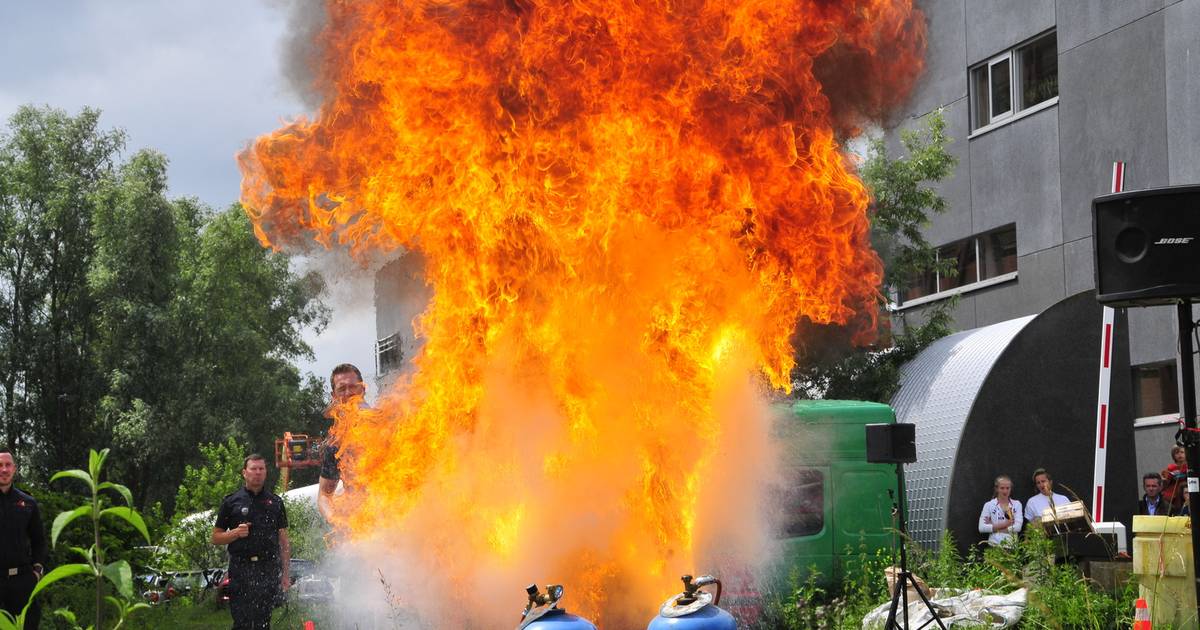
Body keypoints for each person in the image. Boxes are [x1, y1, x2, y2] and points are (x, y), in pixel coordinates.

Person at [212, 455, 289, 630]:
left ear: (266, 473)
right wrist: (235, 533)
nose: (258, 473)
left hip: (267, 569)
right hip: (241, 569)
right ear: (244, 473)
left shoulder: (275, 502)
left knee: (263, 622)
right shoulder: (231, 502)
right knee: (242, 622)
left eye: (261, 469)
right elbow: (215, 537)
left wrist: (285, 575)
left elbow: (283, 541)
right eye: (253, 469)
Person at [0, 450, 45, 628]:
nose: (4, 469)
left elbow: (39, 540)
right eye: (0, 465)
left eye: (8, 465)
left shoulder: (28, 503)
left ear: (15, 469)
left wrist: (38, 570)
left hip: (22, 581)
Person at [318, 363, 367, 522]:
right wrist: (336, 521)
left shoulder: (388, 425)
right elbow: (324, 496)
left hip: (401, 521)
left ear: (363, 389)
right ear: (334, 395)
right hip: (362, 527)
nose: (348, 393)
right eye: (342, 389)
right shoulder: (336, 444)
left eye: (353, 387)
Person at [978, 475, 1023, 546]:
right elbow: (981, 528)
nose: (1005, 491)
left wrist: (993, 526)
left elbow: (1018, 528)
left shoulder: (1017, 504)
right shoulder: (989, 505)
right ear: (997, 489)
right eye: (1002, 488)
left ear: (1011, 488)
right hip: (993, 546)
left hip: (1011, 547)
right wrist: (1006, 524)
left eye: (1007, 488)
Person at [1161, 445, 1188, 513]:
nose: (1180, 454)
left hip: (1185, 490)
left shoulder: (1190, 466)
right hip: (1173, 491)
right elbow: (1166, 480)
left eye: (1182, 452)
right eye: (1177, 453)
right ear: (1173, 456)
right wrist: (1168, 476)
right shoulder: (1171, 467)